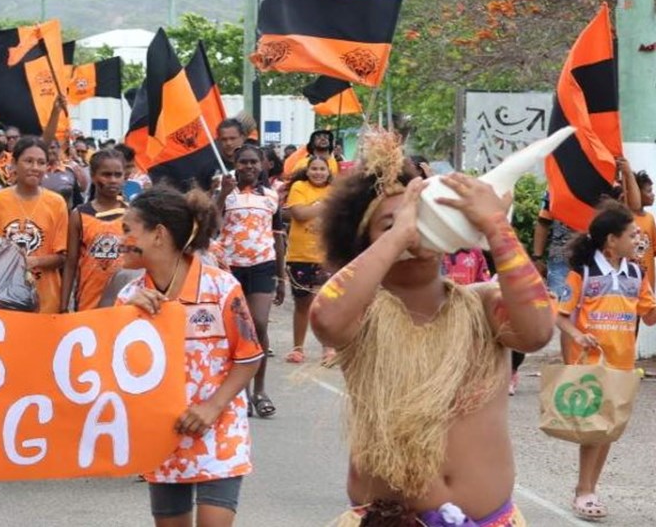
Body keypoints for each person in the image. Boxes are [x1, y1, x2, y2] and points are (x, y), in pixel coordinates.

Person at [310, 129, 556, 527]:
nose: (413, 231)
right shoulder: (361, 316)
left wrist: (497, 228)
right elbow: (325, 319)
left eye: (420, 218)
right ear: (364, 243)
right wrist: (399, 235)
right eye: (389, 224)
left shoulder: (483, 305)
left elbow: (538, 331)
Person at [116, 186, 263, 527]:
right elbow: (113, 368)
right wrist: (125, 318)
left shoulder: (221, 288)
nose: (120, 239)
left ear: (158, 235)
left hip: (219, 428)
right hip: (162, 436)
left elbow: (249, 357)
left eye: (127, 230)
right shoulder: (128, 297)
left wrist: (212, 407)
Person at [557, 202, 656, 521]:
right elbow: (559, 316)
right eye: (632, 235)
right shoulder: (583, 273)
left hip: (623, 365)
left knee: (609, 431)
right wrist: (577, 336)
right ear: (611, 240)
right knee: (595, 431)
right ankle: (584, 490)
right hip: (591, 364)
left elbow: (650, 316)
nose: (638, 239)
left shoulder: (636, 273)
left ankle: (589, 487)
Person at [215, 144, 284, 418]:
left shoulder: (271, 196)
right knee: (236, 328)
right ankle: (239, 391)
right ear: (235, 163)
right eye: (243, 162)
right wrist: (222, 194)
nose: (248, 167)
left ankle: (260, 389)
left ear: (263, 164)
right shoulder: (224, 191)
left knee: (259, 323)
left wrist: (281, 276)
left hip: (262, 265)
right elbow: (210, 224)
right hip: (229, 267)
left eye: (254, 162)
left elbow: (278, 236)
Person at [0, 136, 69, 314]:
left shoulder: (57, 203)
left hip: (45, 302)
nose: (35, 168)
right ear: (14, 164)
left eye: (41, 163)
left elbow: (62, 256)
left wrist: (33, 262)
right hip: (1, 298)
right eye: (28, 161)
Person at [282, 156, 333, 365]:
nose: (318, 172)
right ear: (307, 170)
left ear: (328, 172)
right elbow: (299, 214)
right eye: (314, 169)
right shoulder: (299, 187)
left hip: (327, 257)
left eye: (322, 169)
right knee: (302, 304)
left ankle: (328, 348)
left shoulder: (335, 190)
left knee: (325, 304)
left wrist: (314, 207)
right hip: (300, 255)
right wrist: (325, 205)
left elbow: (339, 216)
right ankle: (298, 349)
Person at [64, 149, 128, 311]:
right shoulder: (80, 215)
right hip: (87, 303)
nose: (113, 180)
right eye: (106, 175)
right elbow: (71, 263)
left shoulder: (132, 215)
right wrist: (63, 306)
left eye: (118, 175)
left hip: (123, 304)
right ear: (93, 176)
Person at [42, 139, 84, 206]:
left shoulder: (70, 170)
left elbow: (79, 196)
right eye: (46, 148)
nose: (49, 151)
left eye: (52, 147)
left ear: (58, 149)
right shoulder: (38, 171)